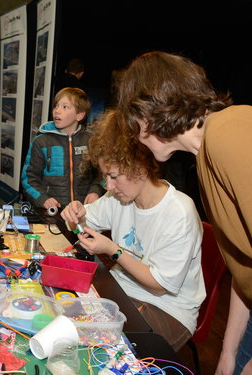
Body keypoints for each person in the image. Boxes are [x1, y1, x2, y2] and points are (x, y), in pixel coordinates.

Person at [115, 50, 252, 374]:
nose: (136, 136)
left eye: (134, 123)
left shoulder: (228, 131)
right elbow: (245, 269)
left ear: (148, 112)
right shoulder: (205, 157)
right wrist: (229, 354)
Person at [61, 110, 205, 351]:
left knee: (103, 350)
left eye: (114, 176)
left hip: (168, 308)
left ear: (141, 165)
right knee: (66, 317)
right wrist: (76, 213)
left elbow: (160, 285)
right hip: (122, 290)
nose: (109, 186)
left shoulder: (179, 212)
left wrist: (113, 250)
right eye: (105, 177)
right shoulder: (119, 198)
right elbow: (83, 222)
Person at [21, 87, 104, 211]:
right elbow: (28, 179)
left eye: (65, 107)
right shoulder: (41, 142)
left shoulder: (91, 140)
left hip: (83, 211)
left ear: (80, 115)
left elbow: (102, 174)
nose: (57, 111)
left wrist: (95, 192)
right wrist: (43, 199)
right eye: (56, 106)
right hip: (52, 212)